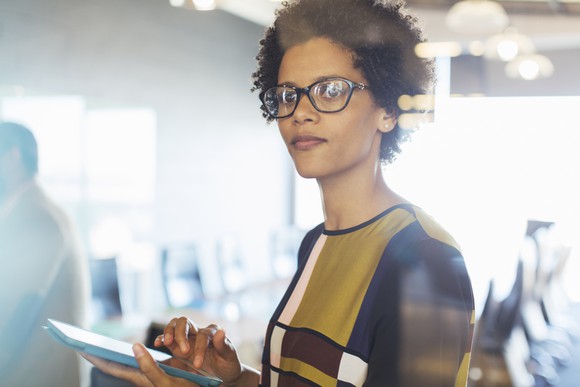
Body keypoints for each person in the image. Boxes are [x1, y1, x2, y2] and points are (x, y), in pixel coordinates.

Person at [85, 0, 475, 385]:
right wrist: (234, 380)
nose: (300, 112)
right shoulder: (314, 244)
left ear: (388, 111)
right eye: (288, 95)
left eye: (330, 90)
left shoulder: (426, 262)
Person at [0, 121, 90, 386]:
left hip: (36, 376)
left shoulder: (36, 217)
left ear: (12, 158)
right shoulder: (27, 211)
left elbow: (15, 313)